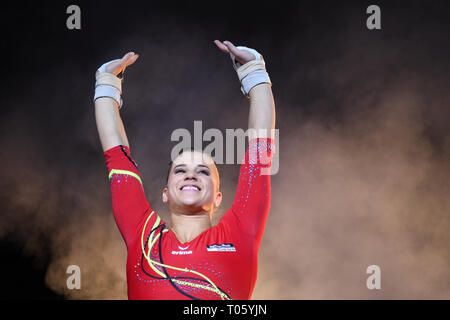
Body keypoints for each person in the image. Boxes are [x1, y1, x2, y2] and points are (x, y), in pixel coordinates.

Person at [94, 40, 276, 300]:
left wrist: (255, 71)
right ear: (165, 193)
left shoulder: (239, 232)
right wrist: (107, 82)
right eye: (180, 170)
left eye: (203, 171)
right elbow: (117, 156)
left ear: (218, 196)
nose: (191, 174)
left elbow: (260, 150)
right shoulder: (144, 236)